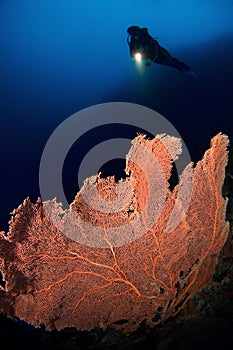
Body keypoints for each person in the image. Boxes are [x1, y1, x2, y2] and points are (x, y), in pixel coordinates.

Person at [127, 25, 198, 77]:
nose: (133, 33)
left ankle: (188, 70)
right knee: (169, 63)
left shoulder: (143, 34)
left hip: (158, 50)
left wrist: (148, 45)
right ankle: (184, 71)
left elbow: (152, 41)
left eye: (133, 31)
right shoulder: (133, 42)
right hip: (152, 56)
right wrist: (138, 55)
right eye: (131, 32)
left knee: (171, 60)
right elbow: (132, 54)